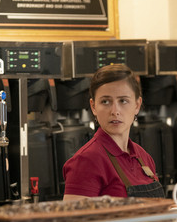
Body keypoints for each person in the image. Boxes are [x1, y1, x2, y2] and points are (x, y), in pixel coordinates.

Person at [63, 64, 165, 199]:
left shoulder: (143, 157)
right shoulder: (85, 161)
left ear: (137, 105)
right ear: (93, 107)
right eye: (105, 101)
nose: (115, 111)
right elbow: (76, 219)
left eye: (123, 101)